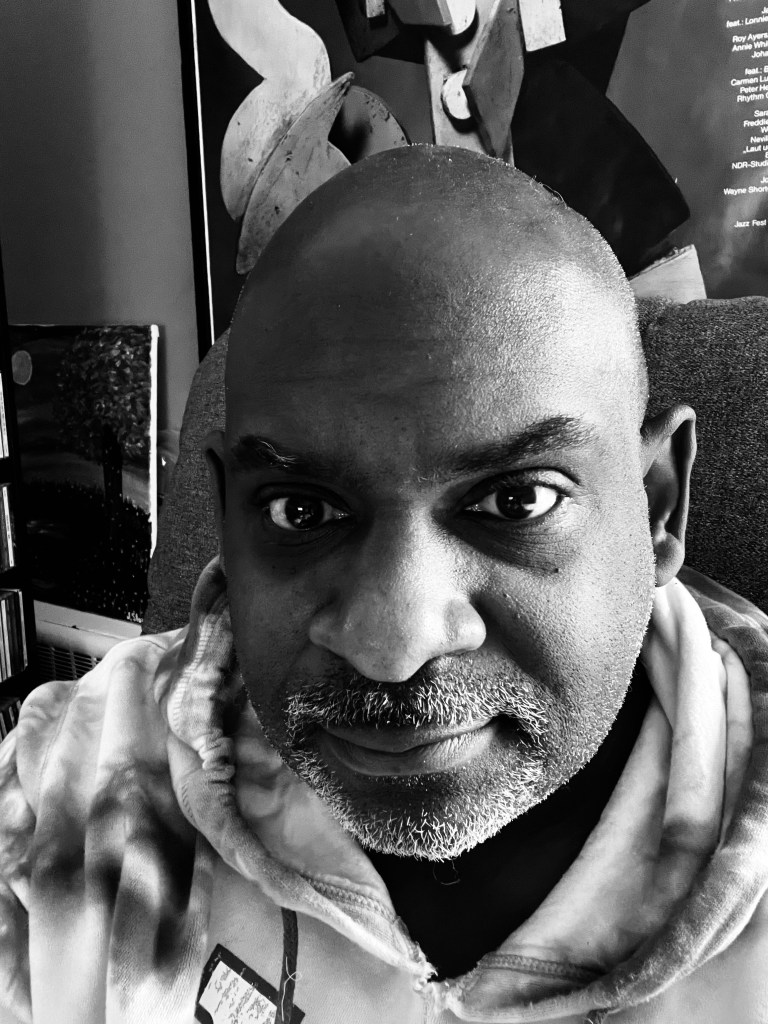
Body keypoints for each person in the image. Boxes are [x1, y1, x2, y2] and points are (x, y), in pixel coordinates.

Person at [1, 145, 767, 1024]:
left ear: (658, 505)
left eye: (515, 501)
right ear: (225, 520)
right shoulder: (69, 787)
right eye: (301, 511)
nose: (394, 647)